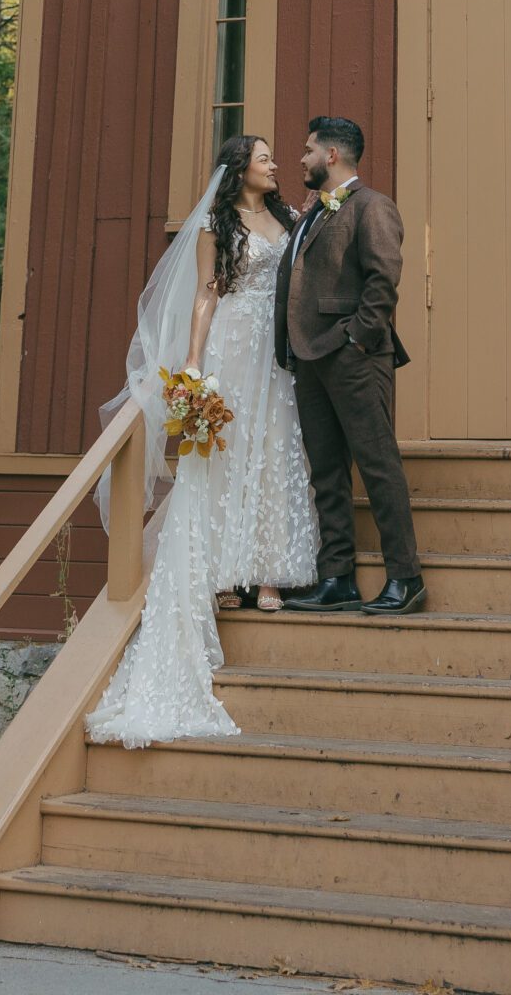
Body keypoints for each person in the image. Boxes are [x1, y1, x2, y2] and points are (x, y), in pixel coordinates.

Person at [86, 133, 319, 747]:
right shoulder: (219, 224)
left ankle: (269, 573)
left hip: (278, 349)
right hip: (232, 343)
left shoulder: (289, 218)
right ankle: (222, 574)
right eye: (266, 157)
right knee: (225, 455)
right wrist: (193, 365)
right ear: (241, 168)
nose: (275, 165)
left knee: (275, 452)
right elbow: (206, 294)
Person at [275, 114, 425, 615]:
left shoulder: (372, 207)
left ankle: (405, 577)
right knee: (326, 471)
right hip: (308, 359)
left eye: (308, 148)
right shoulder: (312, 212)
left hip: (353, 357)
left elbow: (383, 282)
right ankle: (336, 576)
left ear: (332, 156)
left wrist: (356, 340)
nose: (301, 158)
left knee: (378, 465)